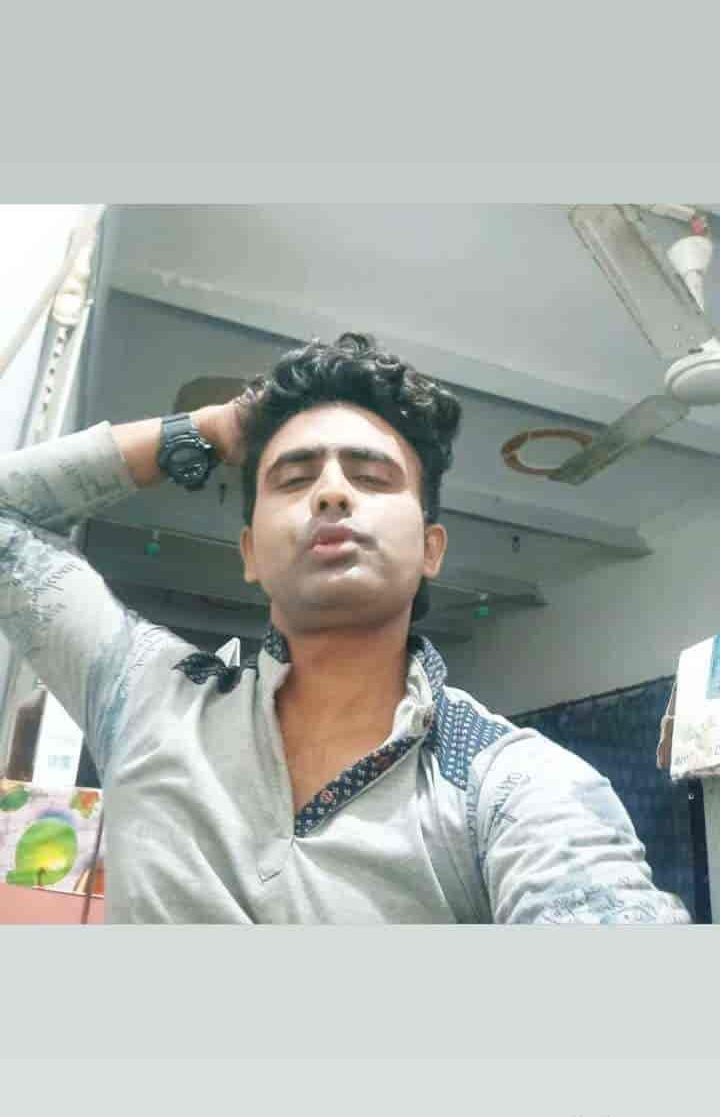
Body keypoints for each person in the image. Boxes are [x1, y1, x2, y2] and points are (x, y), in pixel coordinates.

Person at [0, 331, 691, 924]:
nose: (332, 492)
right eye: (294, 478)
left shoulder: (510, 782)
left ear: (431, 549)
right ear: (250, 553)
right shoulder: (146, 699)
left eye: (373, 477)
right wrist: (211, 430)